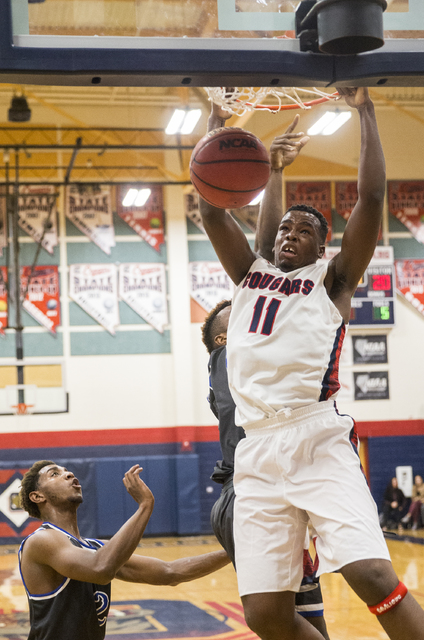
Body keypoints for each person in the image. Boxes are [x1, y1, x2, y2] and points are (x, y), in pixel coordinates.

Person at [198, 88, 424, 640]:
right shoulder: (250, 275)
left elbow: (371, 198)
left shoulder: (332, 281)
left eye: (304, 230)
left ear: (322, 248)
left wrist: (365, 110)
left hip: (314, 435)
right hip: (255, 450)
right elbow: (210, 206)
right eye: (283, 228)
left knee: (370, 573)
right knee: (266, 614)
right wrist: (217, 119)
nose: (289, 234)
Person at [203, 299, 329, 640]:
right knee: (271, 619)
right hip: (251, 492)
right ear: (223, 340)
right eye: (242, 318)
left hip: (275, 490)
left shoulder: (256, 369)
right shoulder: (229, 359)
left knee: (303, 617)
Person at [18, 460, 230, 640]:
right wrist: (145, 505)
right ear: (38, 497)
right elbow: (100, 569)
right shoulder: (40, 541)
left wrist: (234, 551)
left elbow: (170, 571)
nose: (69, 474)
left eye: (67, 471)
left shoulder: (96, 548)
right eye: (55, 474)